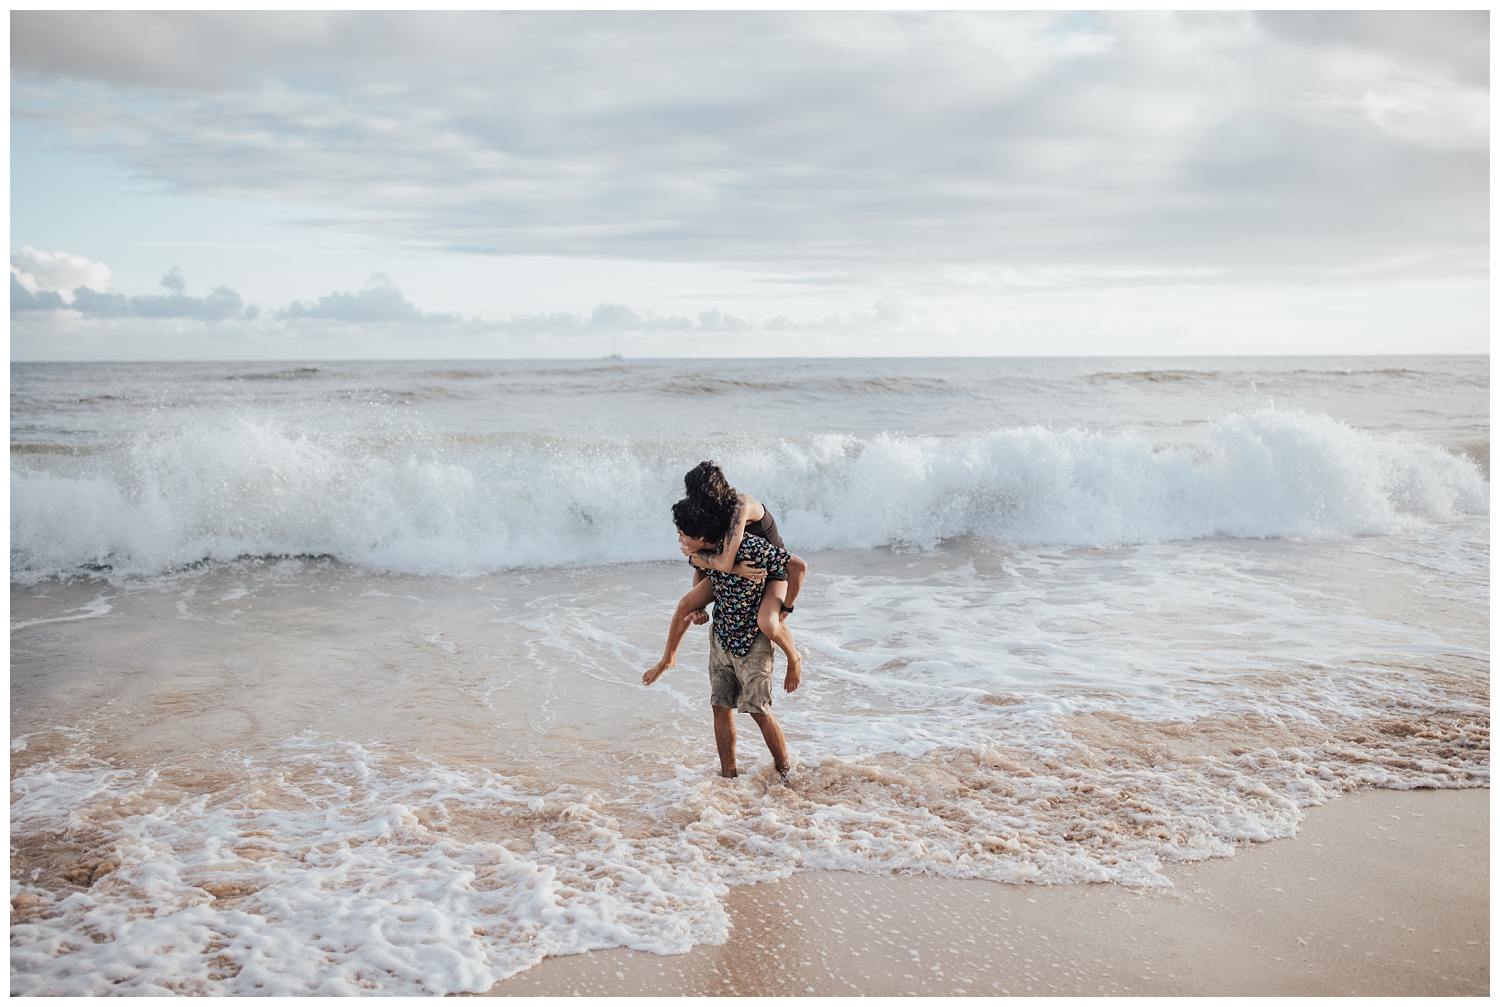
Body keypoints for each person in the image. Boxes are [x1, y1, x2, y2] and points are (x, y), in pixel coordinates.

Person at [643, 497, 800, 781]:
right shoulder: (699, 552)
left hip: (753, 640)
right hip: (722, 637)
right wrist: (700, 610)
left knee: (759, 711)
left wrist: (785, 608)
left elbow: (797, 567)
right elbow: (698, 575)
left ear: (701, 536)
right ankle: (729, 775)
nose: (679, 539)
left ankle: (785, 773)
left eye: (682, 534)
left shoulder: (750, 548)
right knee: (720, 705)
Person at [679, 461, 808, 648]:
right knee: (687, 604)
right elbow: (698, 555)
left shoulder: (740, 506)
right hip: (738, 570)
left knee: (768, 624)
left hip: (771, 571)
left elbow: (723, 563)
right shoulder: (714, 513)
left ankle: (794, 659)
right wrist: (696, 557)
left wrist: (786, 608)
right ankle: (668, 658)